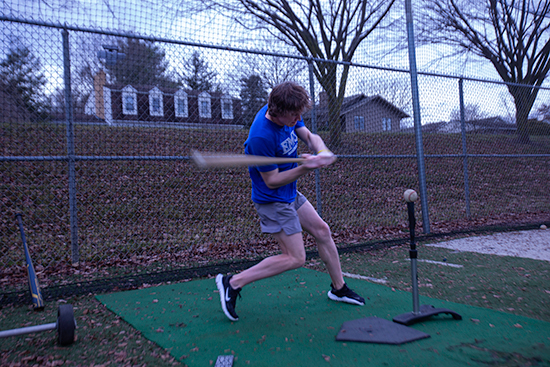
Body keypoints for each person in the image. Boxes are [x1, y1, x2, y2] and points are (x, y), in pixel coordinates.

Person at [216, 81, 364, 321]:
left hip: (290, 192)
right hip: (273, 200)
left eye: (299, 114)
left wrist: (322, 150)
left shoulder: (290, 115)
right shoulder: (261, 137)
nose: (297, 118)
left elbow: (308, 135)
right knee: (295, 257)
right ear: (277, 111)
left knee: (322, 231)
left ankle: (339, 289)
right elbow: (272, 180)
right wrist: (306, 167)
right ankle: (232, 282)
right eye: (293, 115)